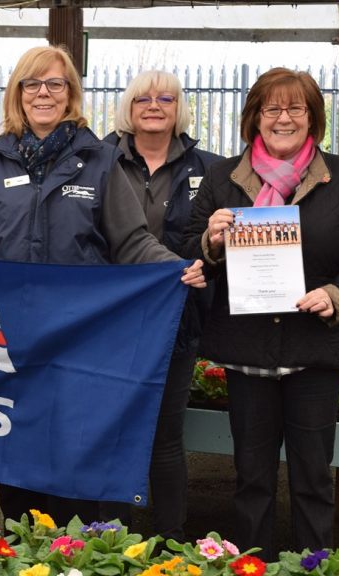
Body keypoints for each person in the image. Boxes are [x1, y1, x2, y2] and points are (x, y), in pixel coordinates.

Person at [0, 46, 206, 526]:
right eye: (33, 84)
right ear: (17, 93)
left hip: (79, 337)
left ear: (71, 94)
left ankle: (73, 549)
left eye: (55, 84)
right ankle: (21, 546)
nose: (43, 93)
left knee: (73, 446)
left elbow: (131, 241)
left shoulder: (101, 160)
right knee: (18, 444)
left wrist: (177, 268)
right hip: (12, 335)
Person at [183, 67, 339, 557]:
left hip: (314, 352)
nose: (284, 117)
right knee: (251, 480)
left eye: (296, 107)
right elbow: (189, 247)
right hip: (247, 352)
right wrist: (210, 241)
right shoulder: (223, 179)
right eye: (272, 108)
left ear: (312, 117)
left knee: (314, 479)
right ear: (255, 117)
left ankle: (314, 566)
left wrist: (335, 295)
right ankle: (252, 564)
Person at [104, 70, 221, 541]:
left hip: (177, 318)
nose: (154, 106)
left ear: (179, 109)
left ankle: (173, 542)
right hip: (111, 321)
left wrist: (206, 263)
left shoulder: (210, 168)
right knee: (114, 432)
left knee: (165, 437)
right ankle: (111, 540)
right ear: (128, 109)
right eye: (142, 98)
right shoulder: (99, 160)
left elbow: (218, 240)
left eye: (165, 98)